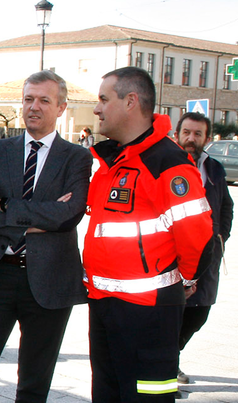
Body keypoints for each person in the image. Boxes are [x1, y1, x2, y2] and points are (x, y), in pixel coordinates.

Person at [0, 70, 91, 403]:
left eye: (44, 100)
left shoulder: (77, 157)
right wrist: (38, 215)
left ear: (61, 108)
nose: (34, 107)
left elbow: (69, 215)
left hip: (51, 279)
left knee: (34, 380)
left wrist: (9, 207)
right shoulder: (0, 151)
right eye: (28, 99)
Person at [84, 67, 214, 402]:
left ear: (130, 102)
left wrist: (180, 281)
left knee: (148, 398)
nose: (96, 109)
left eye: (103, 99)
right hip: (105, 306)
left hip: (149, 313)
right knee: (108, 394)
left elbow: (198, 238)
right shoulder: (112, 160)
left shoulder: (168, 164)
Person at [173, 112, 233, 394]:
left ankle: (172, 357)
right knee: (170, 314)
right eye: (186, 132)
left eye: (197, 134)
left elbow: (226, 206)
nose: (191, 139)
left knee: (200, 313)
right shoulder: (167, 165)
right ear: (177, 134)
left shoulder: (216, 169)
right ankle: (165, 367)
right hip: (172, 259)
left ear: (207, 139)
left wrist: (222, 237)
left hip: (207, 259)